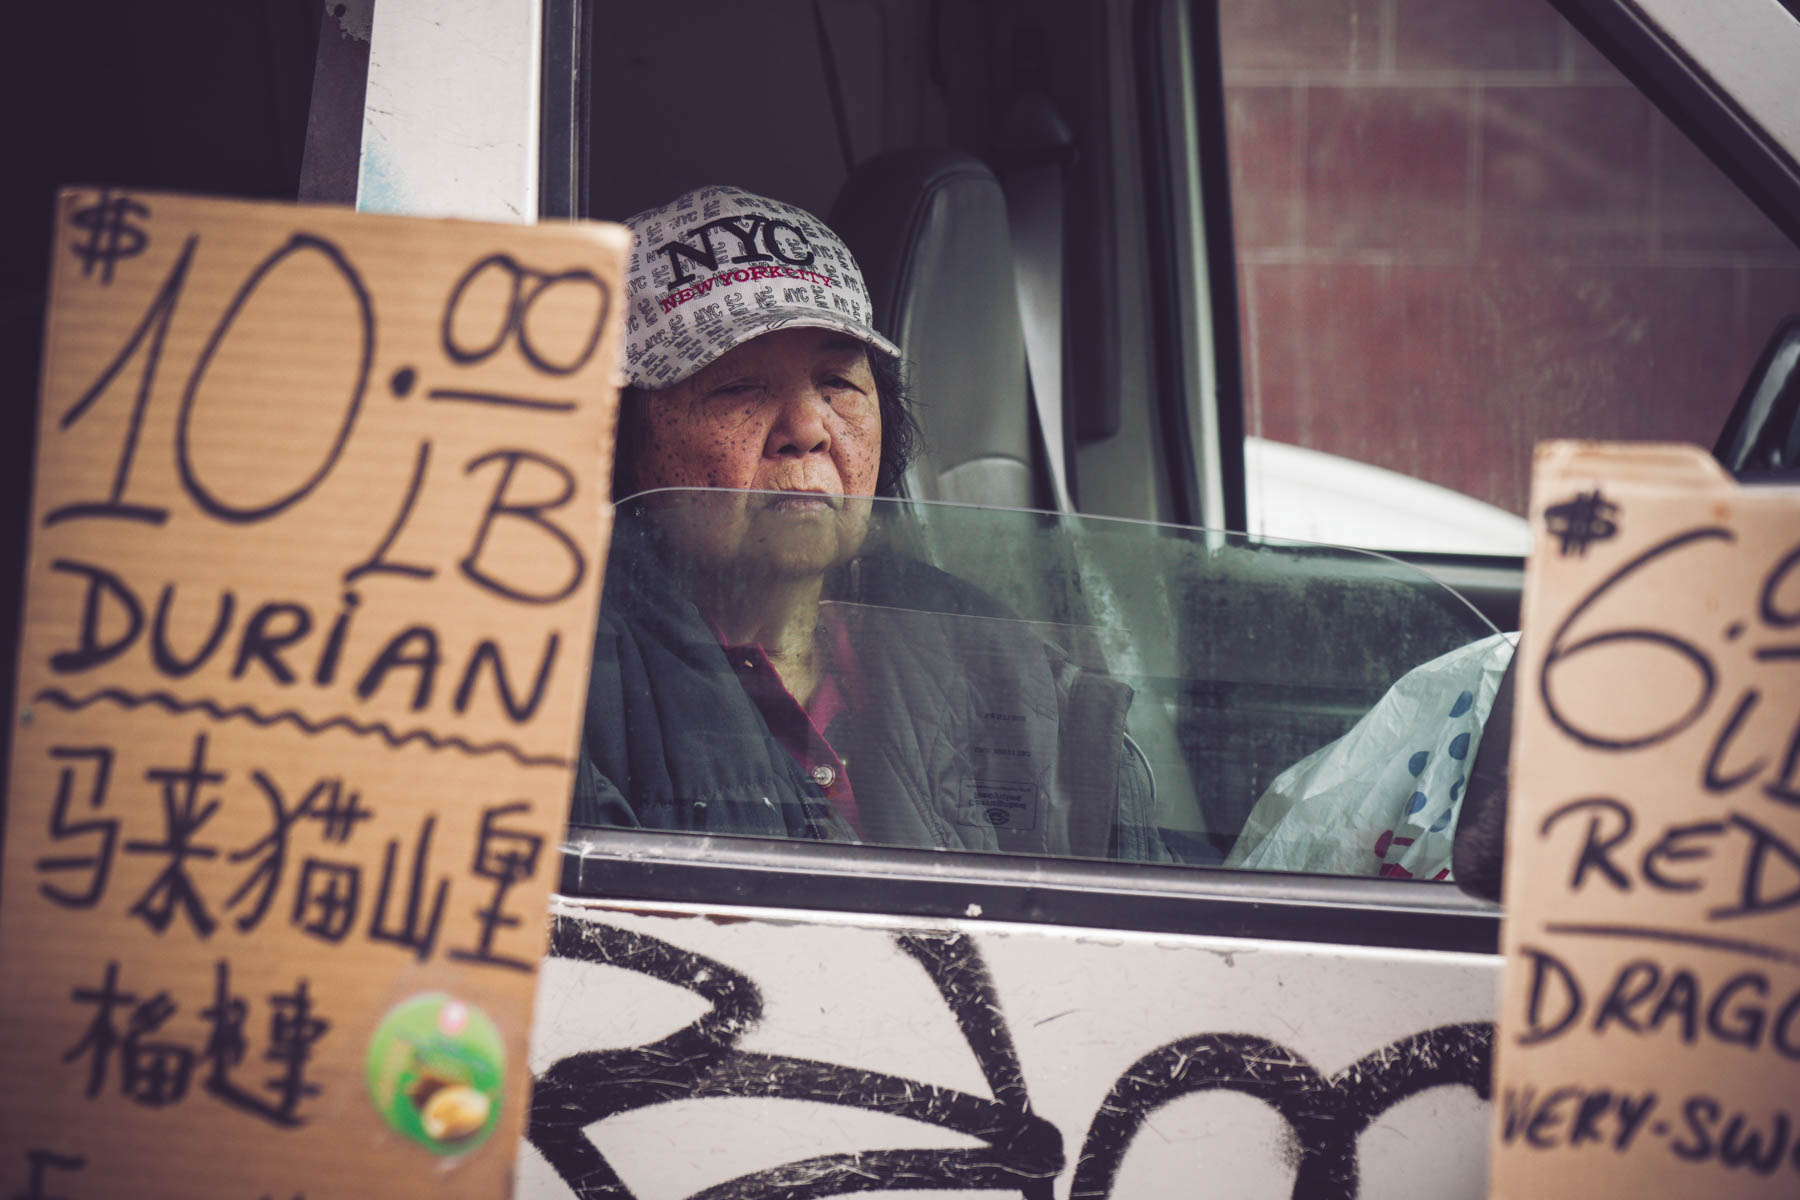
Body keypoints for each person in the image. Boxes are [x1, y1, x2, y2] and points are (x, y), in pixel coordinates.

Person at [570, 185, 1167, 861]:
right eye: (738, 387)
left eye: (838, 383)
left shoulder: (997, 670)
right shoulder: (567, 699)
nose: (807, 429)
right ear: (623, 439)